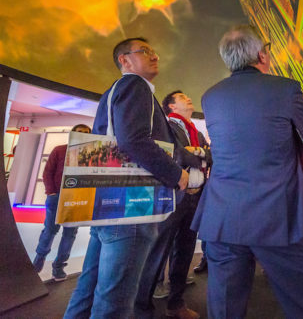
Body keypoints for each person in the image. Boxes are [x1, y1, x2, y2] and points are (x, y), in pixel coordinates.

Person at [191, 25, 303, 319]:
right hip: (278, 215)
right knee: (302, 307)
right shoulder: (287, 88)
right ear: (262, 55)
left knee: (224, 310)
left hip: (223, 216)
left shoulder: (210, 96)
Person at [64, 38, 189, 319]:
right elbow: (133, 140)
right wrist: (177, 174)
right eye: (145, 51)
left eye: (154, 51)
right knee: (115, 301)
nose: (155, 55)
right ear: (125, 60)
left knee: (88, 290)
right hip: (130, 208)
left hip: (108, 207)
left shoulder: (115, 90)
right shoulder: (135, 85)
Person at [135, 91, 212, 319]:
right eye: (181, 96)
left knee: (185, 252)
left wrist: (197, 151)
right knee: (158, 253)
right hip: (172, 196)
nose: (188, 98)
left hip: (195, 197)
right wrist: (200, 155)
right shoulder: (166, 127)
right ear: (171, 106)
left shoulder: (196, 132)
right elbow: (177, 156)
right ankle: (142, 308)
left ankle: (176, 303)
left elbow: (212, 156)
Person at [32, 123, 91, 281]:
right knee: (50, 230)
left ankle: (58, 267)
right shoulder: (59, 150)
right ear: (73, 133)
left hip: (77, 200)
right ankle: (38, 261)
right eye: (80, 132)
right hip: (57, 196)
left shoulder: (90, 155)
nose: (83, 134)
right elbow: (48, 172)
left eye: (86, 133)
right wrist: (51, 193)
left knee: (70, 234)